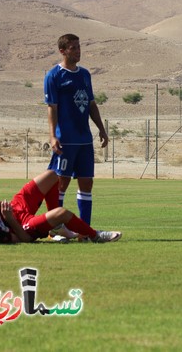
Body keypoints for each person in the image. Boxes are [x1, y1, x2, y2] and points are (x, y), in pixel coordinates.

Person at [44, 34, 108, 227]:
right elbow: (52, 108)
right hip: (66, 141)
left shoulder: (85, 74)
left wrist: (102, 130)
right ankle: (56, 228)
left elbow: (91, 104)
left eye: (79, 47)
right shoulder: (53, 75)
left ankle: (84, 230)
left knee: (87, 183)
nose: (78, 51)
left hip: (84, 141)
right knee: (61, 185)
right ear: (62, 51)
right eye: (73, 48)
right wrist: (53, 136)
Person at [0, 170, 121, 244]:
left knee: (52, 175)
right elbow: (25, 239)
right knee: (62, 212)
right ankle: (94, 236)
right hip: (22, 227)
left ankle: (57, 227)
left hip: (16, 205)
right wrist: (10, 220)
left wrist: (10, 210)